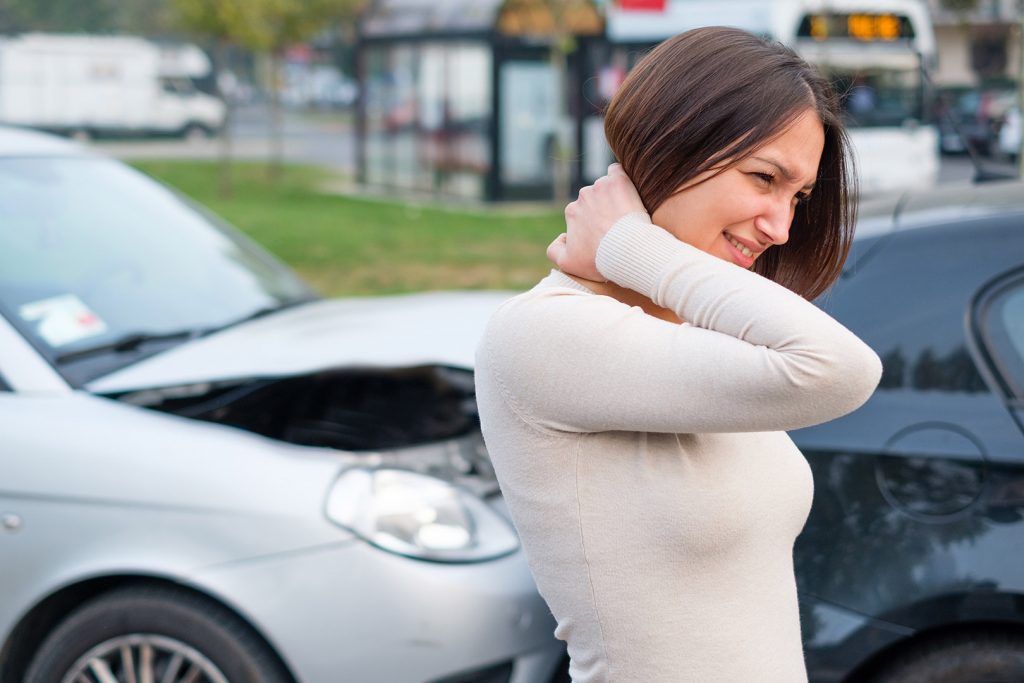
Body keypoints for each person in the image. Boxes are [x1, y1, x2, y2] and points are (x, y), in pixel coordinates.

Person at [474, 27, 883, 682]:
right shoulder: (542, 336)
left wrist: (642, 253)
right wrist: (632, 245)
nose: (781, 226)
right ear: (673, 141)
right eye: (764, 178)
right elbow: (842, 369)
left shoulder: (697, 334)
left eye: (798, 197)